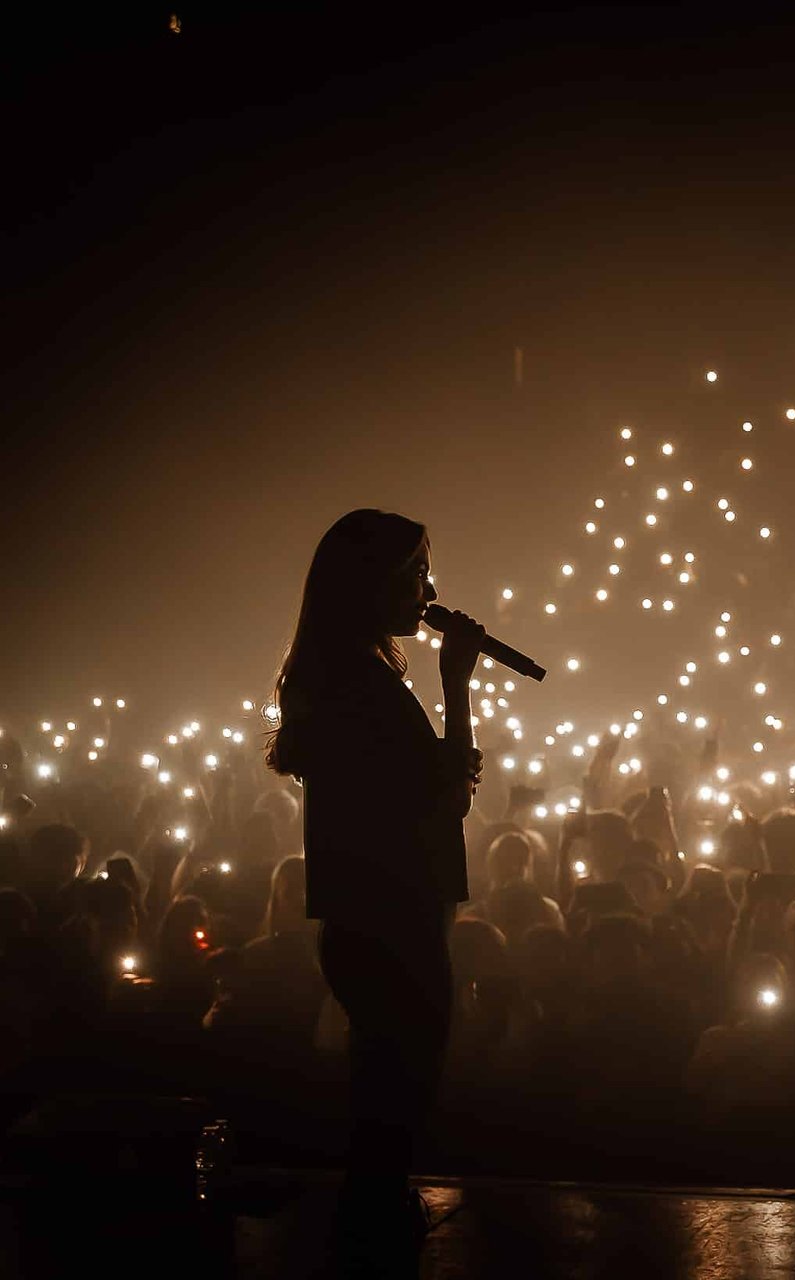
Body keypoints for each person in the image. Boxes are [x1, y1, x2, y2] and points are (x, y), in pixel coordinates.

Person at [264, 508, 488, 1271]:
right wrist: (455, 687)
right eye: (417, 570)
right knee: (396, 1100)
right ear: (376, 581)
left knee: (383, 1098)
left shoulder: (345, 674)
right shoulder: (363, 685)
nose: (429, 588)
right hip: (391, 919)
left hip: (370, 918)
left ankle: (372, 1233)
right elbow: (445, 799)